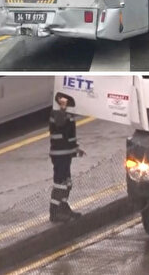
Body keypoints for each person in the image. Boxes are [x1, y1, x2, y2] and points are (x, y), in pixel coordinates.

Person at [50, 92, 86, 223]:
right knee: (60, 184)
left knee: (67, 183)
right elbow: (60, 123)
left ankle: (63, 207)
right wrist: (62, 108)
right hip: (60, 154)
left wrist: (75, 149)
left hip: (66, 153)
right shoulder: (57, 112)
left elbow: (68, 134)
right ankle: (55, 212)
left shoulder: (68, 114)